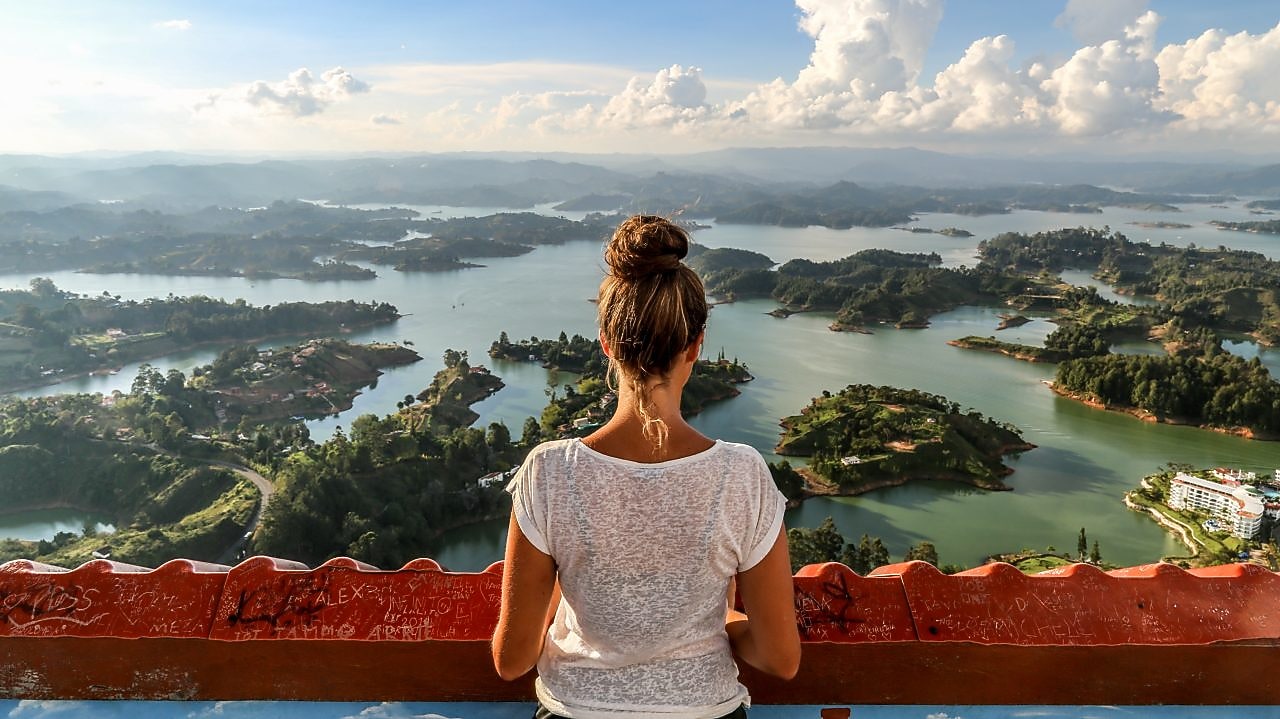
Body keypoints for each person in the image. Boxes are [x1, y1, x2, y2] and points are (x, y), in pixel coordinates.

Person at [492, 215, 800, 718]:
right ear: (696, 347)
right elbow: (780, 658)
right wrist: (716, 623)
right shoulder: (742, 475)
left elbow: (512, 661)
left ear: (607, 344)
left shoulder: (549, 472)